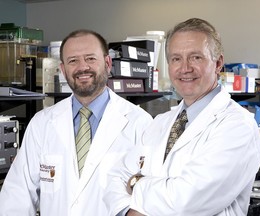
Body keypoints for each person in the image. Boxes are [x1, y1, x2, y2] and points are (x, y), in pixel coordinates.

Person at [103, 18, 260, 216]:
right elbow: (114, 179)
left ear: (218, 63)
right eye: (176, 59)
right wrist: (128, 212)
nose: (185, 68)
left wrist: (136, 182)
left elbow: (186, 201)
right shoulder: (160, 123)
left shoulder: (238, 125)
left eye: (196, 57)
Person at [0, 29, 153, 216]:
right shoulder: (42, 124)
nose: (83, 67)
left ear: (107, 63)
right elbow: (17, 196)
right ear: (63, 70)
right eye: (73, 61)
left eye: (90, 58)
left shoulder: (140, 123)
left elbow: (149, 198)